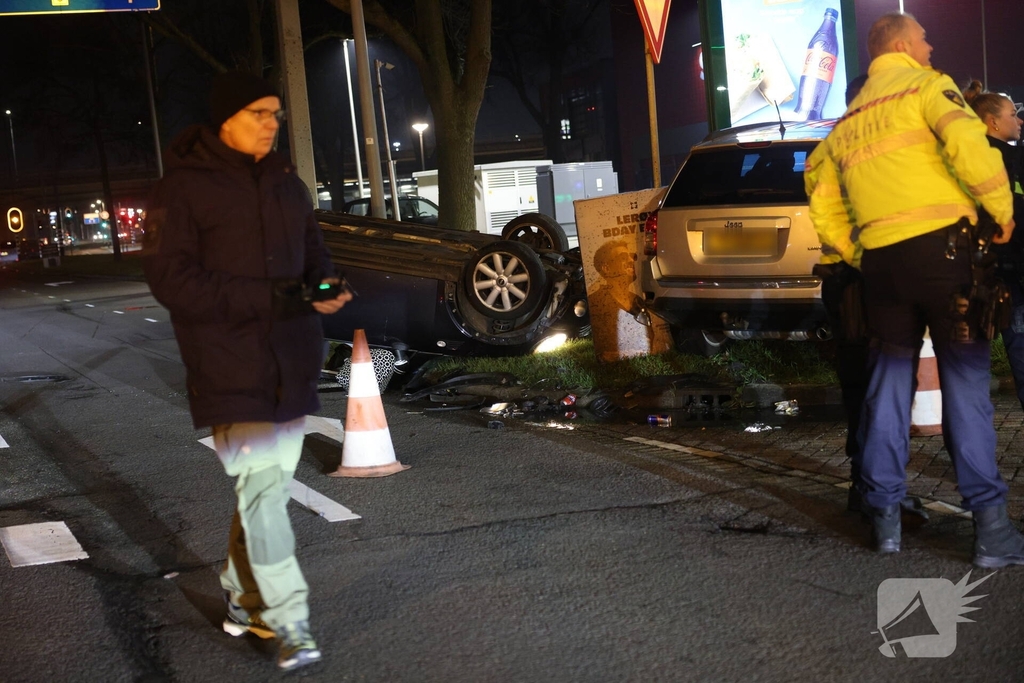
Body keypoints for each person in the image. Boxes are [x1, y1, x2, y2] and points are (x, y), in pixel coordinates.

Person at [142, 70, 352, 671]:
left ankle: (240, 597)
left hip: (292, 362)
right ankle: (286, 621)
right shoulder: (181, 190)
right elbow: (171, 281)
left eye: (276, 114)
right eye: (259, 112)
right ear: (225, 119)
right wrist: (277, 295)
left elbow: (314, 254)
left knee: (263, 495)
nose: (270, 123)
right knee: (263, 493)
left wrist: (325, 285)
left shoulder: (288, 184)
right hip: (227, 367)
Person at [805, 12, 1024, 567]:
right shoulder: (929, 86)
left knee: (887, 384)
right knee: (967, 384)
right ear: (902, 44)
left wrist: (856, 250)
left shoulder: (849, 120)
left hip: (882, 266)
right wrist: (1001, 211)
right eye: (925, 37)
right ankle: (993, 532)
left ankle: (885, 522)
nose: (930, 45)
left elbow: (819, 187)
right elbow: (970, 147)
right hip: (945, 258)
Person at [962, 80, 1024, 409]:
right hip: (1007, 272)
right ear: (993, 122)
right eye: (1013, 114)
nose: (1020, 120)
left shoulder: (965, 158)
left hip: (973, 272)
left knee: (971, 365)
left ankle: (972, 435)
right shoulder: (1008, 159)